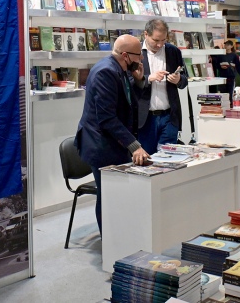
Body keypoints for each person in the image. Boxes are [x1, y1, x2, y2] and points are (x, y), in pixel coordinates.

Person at [74, 34, 150, 234]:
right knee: (108, 197)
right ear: (125, 55)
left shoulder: (120, 69)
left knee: (118, 196)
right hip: (101, 146)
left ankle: (120, 238)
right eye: (138, 56)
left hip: (113, 143)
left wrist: (139, 81)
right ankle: (109, 244)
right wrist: (134, 145)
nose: (141, 60)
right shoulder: (105, 72)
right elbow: (107, 118)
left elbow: (128, 103)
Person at [134, 19, 189, 154]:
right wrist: (148, 79)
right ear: (145, 34)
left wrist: (178, 80)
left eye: (163, 40)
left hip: (169, 116)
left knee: (169, 159)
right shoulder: (135, 53)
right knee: (147, 160)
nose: (159, 45)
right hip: (145, 119)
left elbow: (185, 79)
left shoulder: (173, 51)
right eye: (156, 40)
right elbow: (128, 82)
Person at [218, 40, 240, 105]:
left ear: (231, 46)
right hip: (222, 77)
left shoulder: (234, 56)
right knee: (223, 94)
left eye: (228, 45)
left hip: (231, 76)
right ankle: (223, 106)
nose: (226, 46)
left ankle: (230, 106)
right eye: (225, 45)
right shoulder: (221, 55)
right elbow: (217, 65)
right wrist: (221, 67)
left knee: (230, 93)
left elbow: (238, 66)